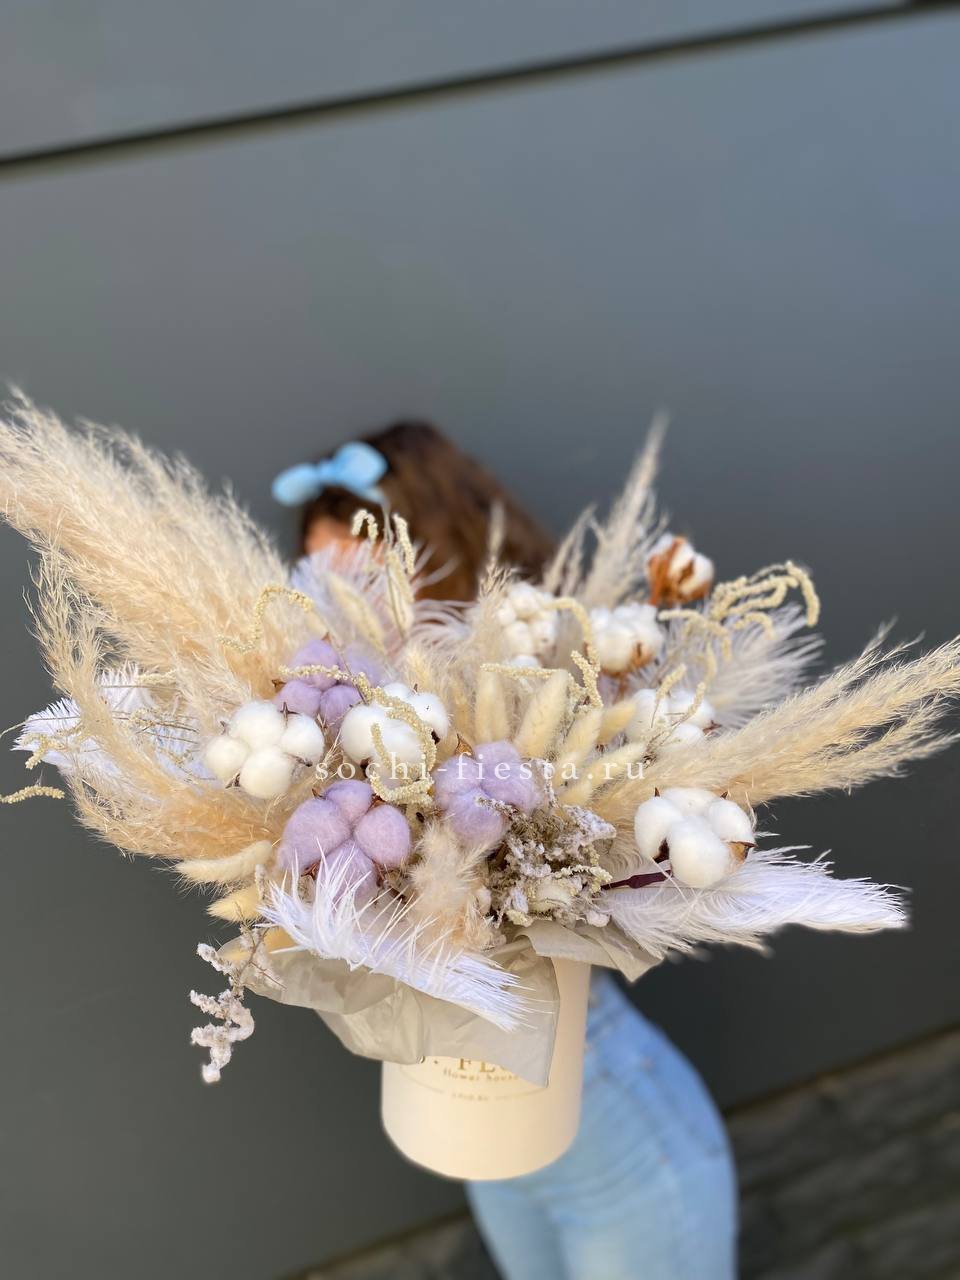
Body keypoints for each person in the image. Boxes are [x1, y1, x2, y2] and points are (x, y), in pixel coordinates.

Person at [273, 421, 738, 1279]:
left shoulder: (546, 690)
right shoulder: (339, 730)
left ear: (438, 555)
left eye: (363, 573)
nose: (339, 603)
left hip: (616, 1136)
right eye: (318, 575)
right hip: (482, 1132)